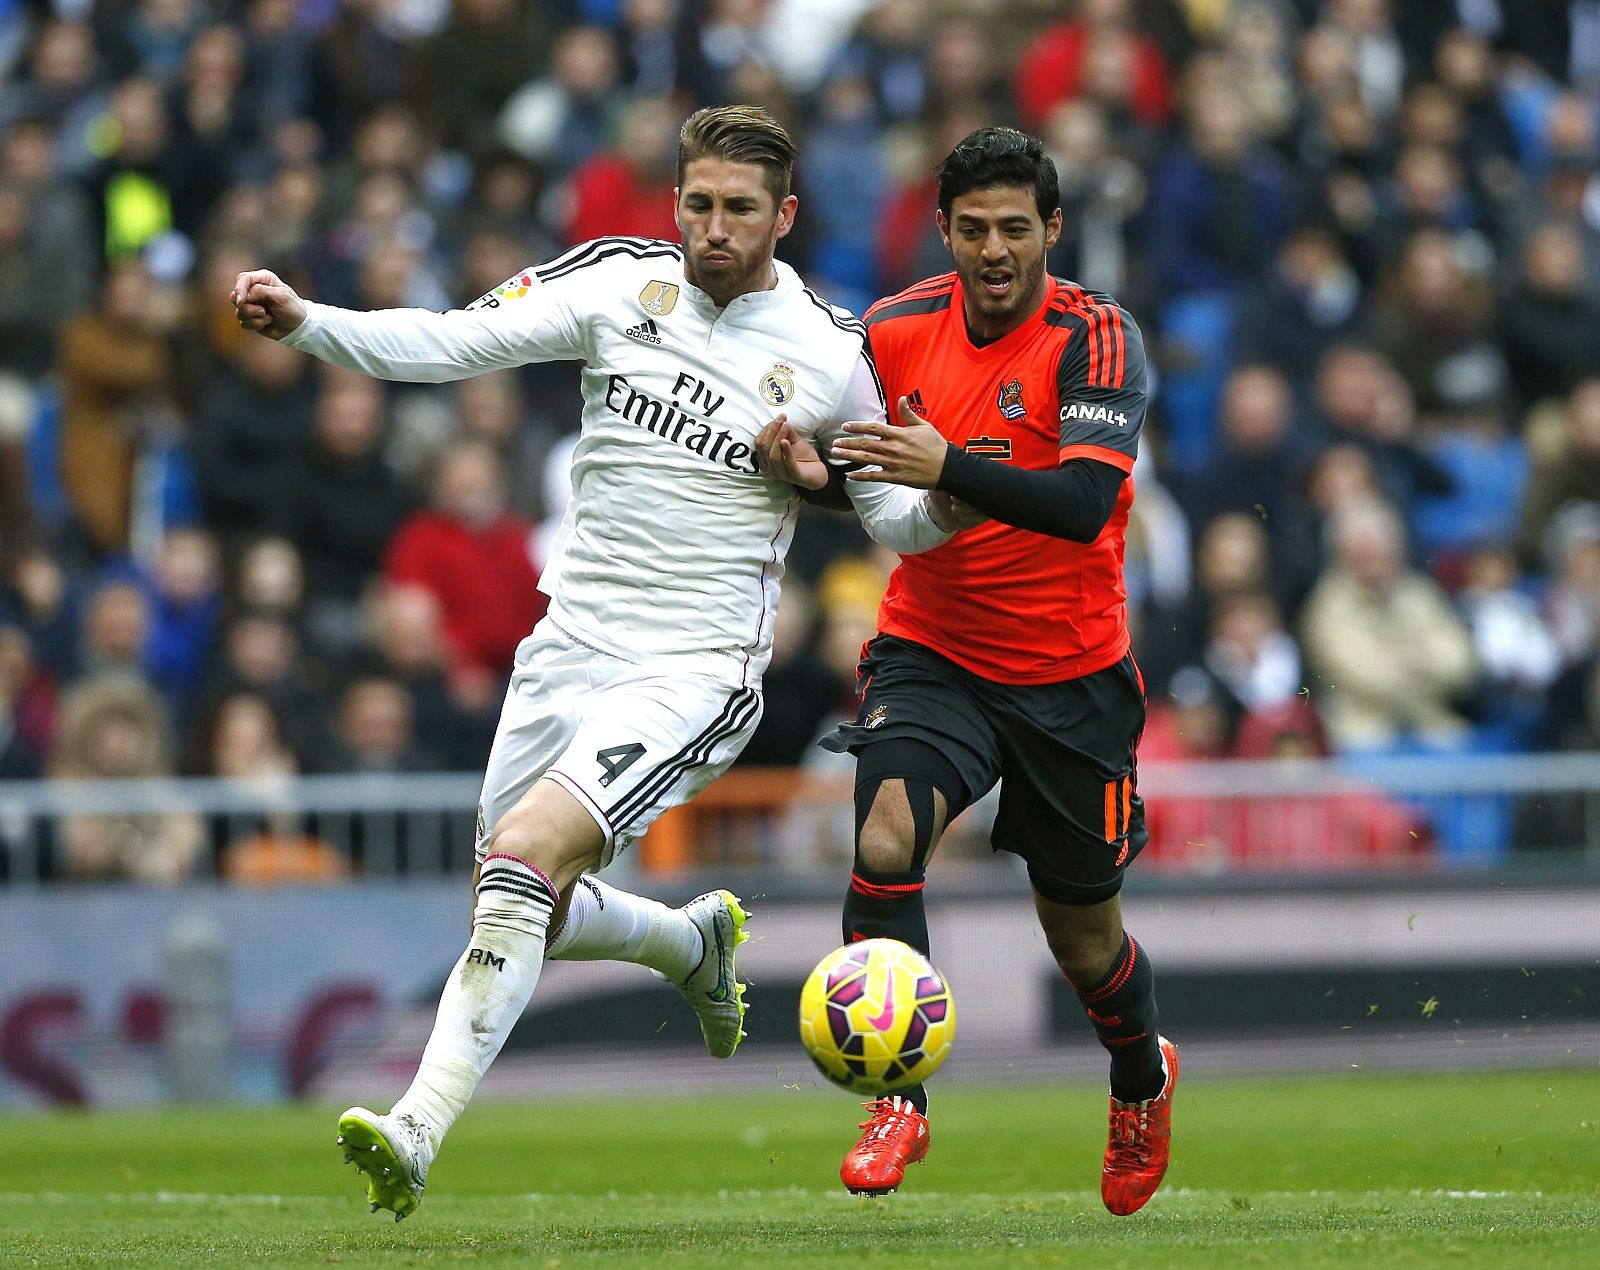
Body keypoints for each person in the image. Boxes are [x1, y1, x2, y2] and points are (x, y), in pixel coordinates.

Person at [230, 104, 966, 1221]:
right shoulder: (619, 280)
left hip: (695, 664)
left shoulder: (831, 351)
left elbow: (894, 521)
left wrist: (938, 484)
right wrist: (307, 323)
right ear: (673, 202)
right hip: (567, 641)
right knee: (512, 894)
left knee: (523, 862)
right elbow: (450, 340)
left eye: (740, 210)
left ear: (787, 217)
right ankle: (689, 940)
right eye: (699, 204)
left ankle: (415, 1128)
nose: (714, 228)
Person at [756, 127, 1176, 1213]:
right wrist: (805, 468)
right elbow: (865, 481)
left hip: (1069, 674)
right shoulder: (892, 330)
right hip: (932, 648)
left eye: (1015, 229)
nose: (995, 250)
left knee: (1083, 939)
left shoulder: (1098, 339)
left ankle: (1140, 1076)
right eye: (974, 229)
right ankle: (899, 1098)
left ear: (1051, 231)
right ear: (943, 231)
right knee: (888, 830)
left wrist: (955, 464)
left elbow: (1083, 503)